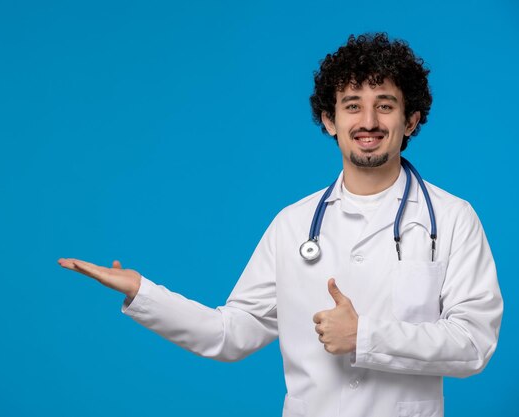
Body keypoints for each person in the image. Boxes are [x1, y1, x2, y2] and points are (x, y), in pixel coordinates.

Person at [58, 33, 503, 417]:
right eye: (352, 106)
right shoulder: (292, 225)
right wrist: (143, 292)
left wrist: (364, 335)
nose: (368, 122)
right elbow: (231, 333)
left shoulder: (452, 219)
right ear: (331, 120)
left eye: (384, 106)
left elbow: (474, 343)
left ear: (410, 120)